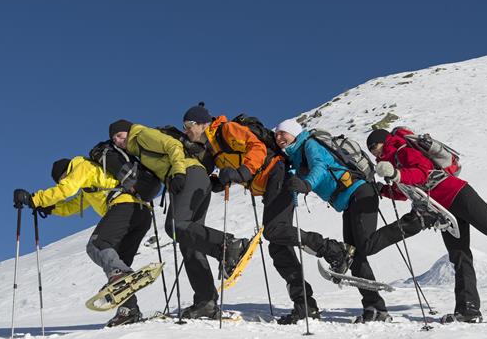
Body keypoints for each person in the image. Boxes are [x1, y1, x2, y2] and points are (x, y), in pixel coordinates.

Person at [368, 127, 487, 323]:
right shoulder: (392, 163)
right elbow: (405, 191)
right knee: (459, 256)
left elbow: (423, 172)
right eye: (370, 150)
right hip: (442, 210)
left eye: (374, 146)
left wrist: (396, 174)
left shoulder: (403, 150)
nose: (373, 151)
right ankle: (468, 310)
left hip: (456, 194)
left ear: (385, 141)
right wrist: (384, 189)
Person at [182, 104, 355, 324]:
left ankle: (335, 250)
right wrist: (221, 181)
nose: (186, 130)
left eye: (188, 125)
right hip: (268, 183)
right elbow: (237, 166)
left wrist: (241, 172)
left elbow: (256, 148)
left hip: (278, 174)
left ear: (202, 123)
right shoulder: (214, 147)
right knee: (277, 246)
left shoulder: (226, 130)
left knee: (274, 230)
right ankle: (305, 306)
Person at [275, 120, 429, 322]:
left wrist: (307, 184)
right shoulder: (295, 155)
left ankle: (417, 220)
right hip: (348, 200)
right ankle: (375, 309)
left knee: (365, 245)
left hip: (360, 191)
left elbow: (320, 167)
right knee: (355, 255)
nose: (279, 138)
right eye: (276, 135)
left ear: (295, 133)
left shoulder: (310, 144)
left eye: (283, 133)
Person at [108, 119, 249, 320]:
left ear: (128, 131)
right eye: (115, 139)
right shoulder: (136, 148)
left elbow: (172, 145)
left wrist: (179, 173)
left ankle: (228, 245)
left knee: (175, 226)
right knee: (190, 242)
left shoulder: (140, 134)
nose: (119, 141)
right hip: (199, 179)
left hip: (189, 174)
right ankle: (205, 301)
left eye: (120, 135)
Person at [13, 156, 151, 327]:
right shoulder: (89, 186)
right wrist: (50, 208)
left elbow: (66, 190)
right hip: (141, 214)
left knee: (97, 245)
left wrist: (35, 199)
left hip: (125, 207)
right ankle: (128, 310)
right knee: (117, 263)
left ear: (66, 172)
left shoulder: (81, 166)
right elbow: (72, 205)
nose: (64, 182)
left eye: (62, 179)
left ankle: (121, 277)